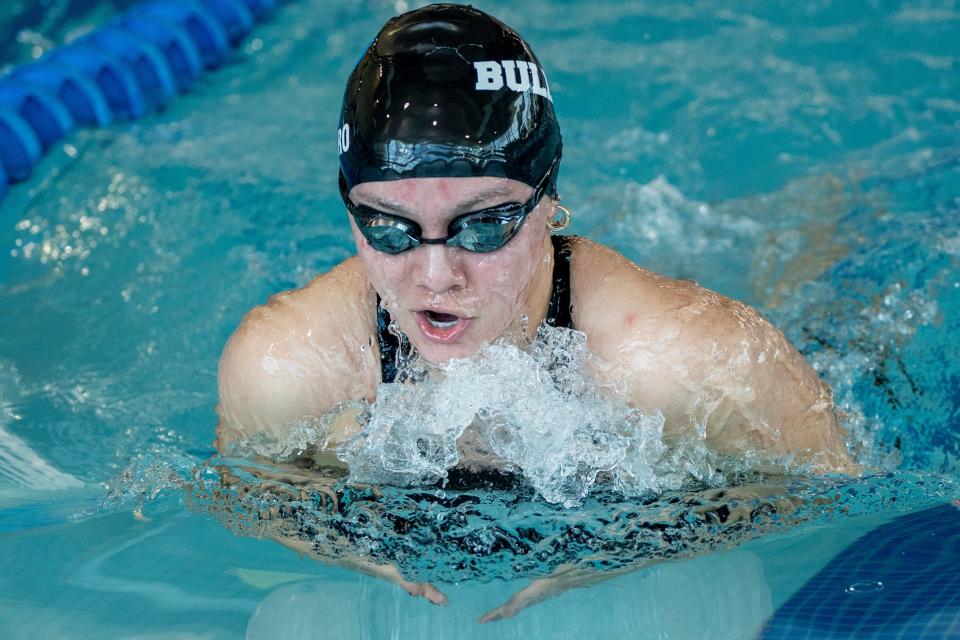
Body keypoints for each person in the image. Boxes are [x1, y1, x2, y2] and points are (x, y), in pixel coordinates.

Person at [214, 2, 855, 621]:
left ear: (549, 200)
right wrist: (340, 544)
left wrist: (639, 542)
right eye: (390, 229)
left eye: (485, 225)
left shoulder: (682, 357)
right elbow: (253, 492)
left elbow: (830, 495)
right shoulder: (287, 364)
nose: (437, 277)